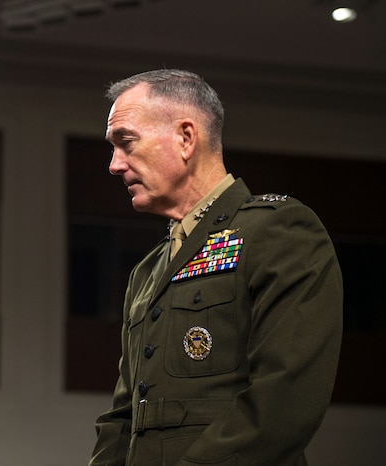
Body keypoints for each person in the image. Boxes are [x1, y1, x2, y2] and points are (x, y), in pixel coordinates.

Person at [89, 70, 342, 466]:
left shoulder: (278, 229)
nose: (114, 165)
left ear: (186, 138)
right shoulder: (148, 270)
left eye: (126, 143)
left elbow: (282, 403)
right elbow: (125, 416)